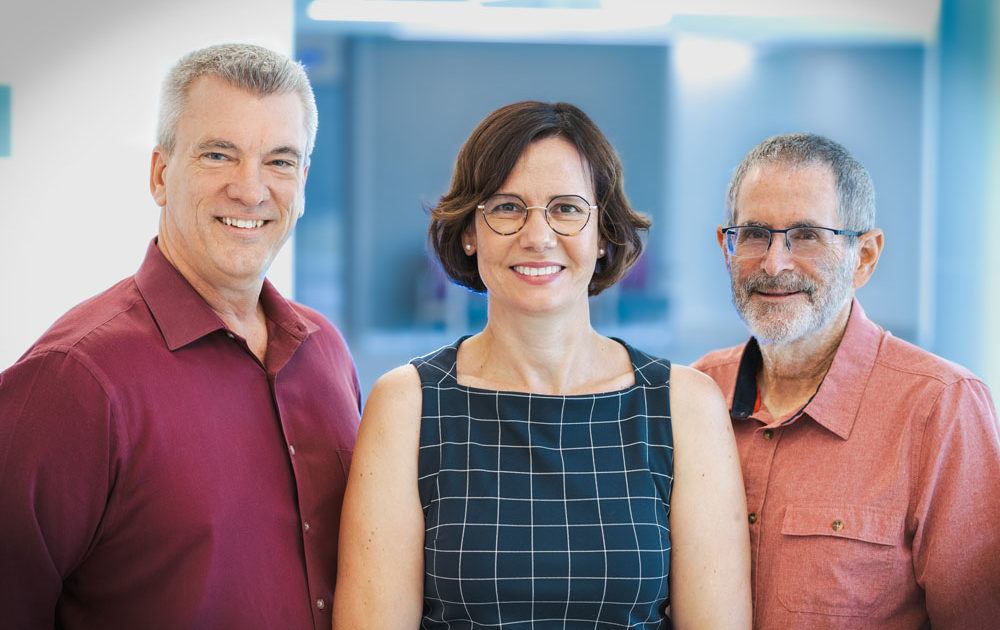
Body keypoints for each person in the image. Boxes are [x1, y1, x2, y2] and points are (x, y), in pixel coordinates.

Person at [333, 101, 751, 629]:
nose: (537, 235)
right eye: (507, 207)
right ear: (469, 231)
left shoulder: (684, 406)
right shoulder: (407, 405)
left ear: (603, 235)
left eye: (567, 208)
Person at [0, 44, 360, 629]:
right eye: (219, 155)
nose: (251, 190)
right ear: (161, 174)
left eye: (280, 161)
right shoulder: (73, 379)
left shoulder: (325, 353)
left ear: (303, 181)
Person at [693, 132, 1000, 629]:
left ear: (865, 256)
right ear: (725, 247)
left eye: (808, 235)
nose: (774, 263)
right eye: (753, 233)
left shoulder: (940, 408)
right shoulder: (695, 394)